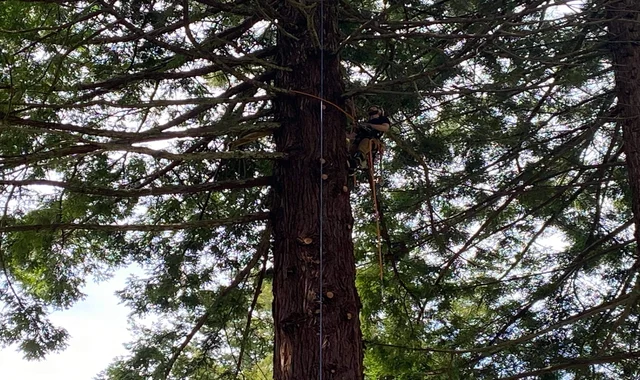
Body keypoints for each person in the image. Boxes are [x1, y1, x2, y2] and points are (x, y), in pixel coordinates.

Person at [348, 105, 390, 175]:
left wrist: (370, 125)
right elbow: (352, 136)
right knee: (353, 148)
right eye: (370, 109)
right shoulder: (365, 123)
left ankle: (357, 161)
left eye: (374, 108)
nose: (372, 109)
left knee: (365, 143)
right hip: (359, 140)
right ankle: (350, 165)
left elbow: (385, 128)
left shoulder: (383, 119)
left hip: (372, 140)